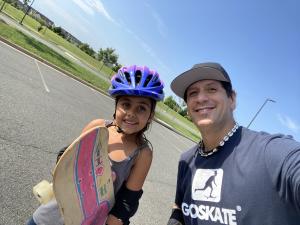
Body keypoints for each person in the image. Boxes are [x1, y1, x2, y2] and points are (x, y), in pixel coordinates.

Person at [27, 65, 164, 225]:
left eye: (141, 108)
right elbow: (66, 155)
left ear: (150, 116)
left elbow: (128, 201)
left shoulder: (142, 154)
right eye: (126, 104)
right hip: (55, 211)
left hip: (92, 220)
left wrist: (115, 219)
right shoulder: (98, 126)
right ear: (116, 105)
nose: (131, 113)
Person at [167, 62, 300, 225]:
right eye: (193, 93)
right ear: (188, 106)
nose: (200, 98)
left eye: (211, 89)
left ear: (232, 99)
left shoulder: (270, 153)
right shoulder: (186, 160)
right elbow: (180, 208)